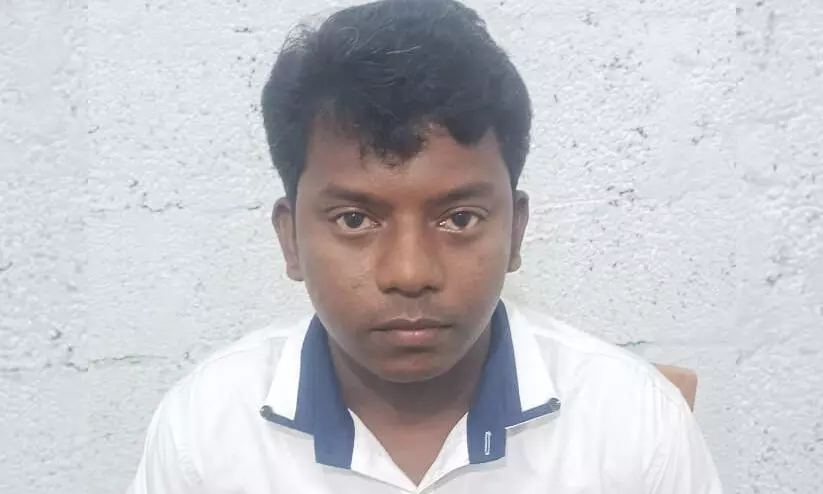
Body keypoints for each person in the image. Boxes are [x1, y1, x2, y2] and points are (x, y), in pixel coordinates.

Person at [127, 0, 724, 492]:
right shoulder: (205, 434)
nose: (409, 272)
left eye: (459, 218)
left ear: (515, 232)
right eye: (355, 219)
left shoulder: (634, 425)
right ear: (291, 240)